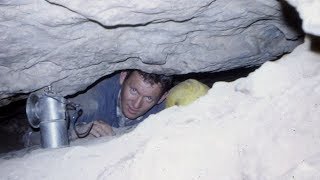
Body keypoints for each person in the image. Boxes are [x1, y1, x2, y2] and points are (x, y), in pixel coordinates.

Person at [69, 69, 173, 138]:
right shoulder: (94, 98)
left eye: (148, 98)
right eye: (133, 91)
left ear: (162, 97)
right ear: (123, 77)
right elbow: (56, 125)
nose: (136, 104)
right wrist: (78, 131)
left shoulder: (166, 111)